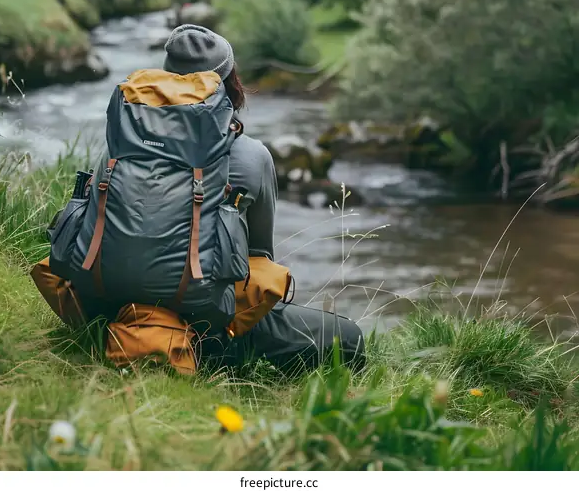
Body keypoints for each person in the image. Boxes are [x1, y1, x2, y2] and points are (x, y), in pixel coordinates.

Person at [34, 24, 365, 376]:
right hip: (207, 323)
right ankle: (215, 357)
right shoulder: (251, 156)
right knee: (348, 338)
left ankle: (117, 337)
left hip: (102, 307)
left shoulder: (120, 144)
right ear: (230, 83)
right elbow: (258, 259)